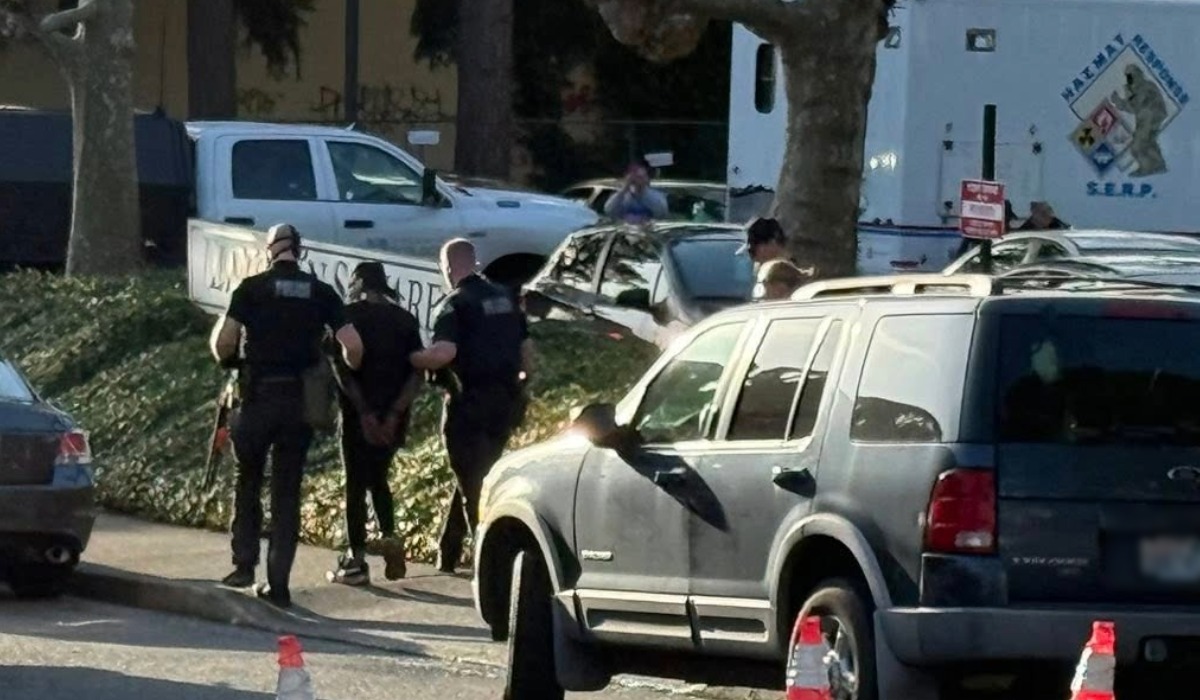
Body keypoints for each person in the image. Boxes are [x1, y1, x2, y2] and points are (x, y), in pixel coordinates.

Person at [209, 223, 363, 608]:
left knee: (247, 478)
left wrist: (231, 361)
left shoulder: (251, 289)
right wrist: (343, 368)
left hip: (257, 397)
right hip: (299, 404)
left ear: (270, 250)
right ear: (300, 250)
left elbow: (224, 342)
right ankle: (278, 584)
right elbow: (354, 346)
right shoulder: (321, 292)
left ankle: (244, 565)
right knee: (287, 489)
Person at [410, 238, 533, 574]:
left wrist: (411, 357)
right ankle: (448, 553)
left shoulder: (454, 303)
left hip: (468, 405)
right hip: (504, 405)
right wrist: (518, 387)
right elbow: (528, 355)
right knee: (474, 474)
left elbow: (444, 353)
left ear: (448, 268)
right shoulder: (506, 298)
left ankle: (490, 567)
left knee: (474, 486)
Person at [326, 262, 424, 587]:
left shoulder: (346, 317)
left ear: (356, 284)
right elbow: (417, 371)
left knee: (355, 485)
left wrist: (365, 412)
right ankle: (389, 535)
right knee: (379, 479)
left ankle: (356, 559)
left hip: (357, 415)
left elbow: (341, 371)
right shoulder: (405, 320)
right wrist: (394, 413)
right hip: (394, 415)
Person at [603, 161, 669, 223]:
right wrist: (624, 189)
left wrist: (642, 191)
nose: (637, 179)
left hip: (649, 229)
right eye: (634, 176)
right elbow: (609, 211)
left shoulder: (656, 195)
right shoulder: (622, 197)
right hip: (626, 229)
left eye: (641, 176)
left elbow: (662, 212)